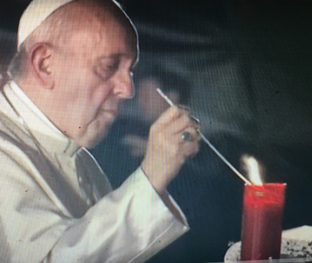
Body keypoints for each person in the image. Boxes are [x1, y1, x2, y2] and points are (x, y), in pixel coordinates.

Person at [0, 0, 200, 262]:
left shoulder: (81, 159)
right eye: (108, 66)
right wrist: (151, 176)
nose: (128, 90)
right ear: (45, 64)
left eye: (129, 70)